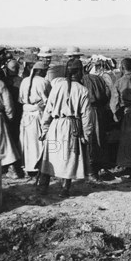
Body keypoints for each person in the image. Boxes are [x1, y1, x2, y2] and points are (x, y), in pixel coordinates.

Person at [38, 58, 92, 197]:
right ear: (79, 72)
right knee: (68, 157)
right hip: (72, 127)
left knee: (50, 155)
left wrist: (44, 129)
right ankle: (64, 189)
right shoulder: (83, 90)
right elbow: (86, 116)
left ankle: (43, 187)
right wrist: (86, 135)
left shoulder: (57, 87)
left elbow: (48, 110)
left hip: (55, 126)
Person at [19, 61, 51, 177]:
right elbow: (49, 100)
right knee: (38, 142)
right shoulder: (44, 82)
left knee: (27, 142)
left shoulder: (24, 81)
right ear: (40, 71)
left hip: (26, 115)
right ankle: (38, 167)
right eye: (45, 71)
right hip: (38, 115)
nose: (45, 73)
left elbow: (20, 99)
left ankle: (29, 167)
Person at [82, 61, 112, 183]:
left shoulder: (81, 80)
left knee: (90, 140)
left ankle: (91, 171)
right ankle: (101, 167)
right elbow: (107, 94)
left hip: (87, 112)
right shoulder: (99, 79)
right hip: (100, 112)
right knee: (100, 139)